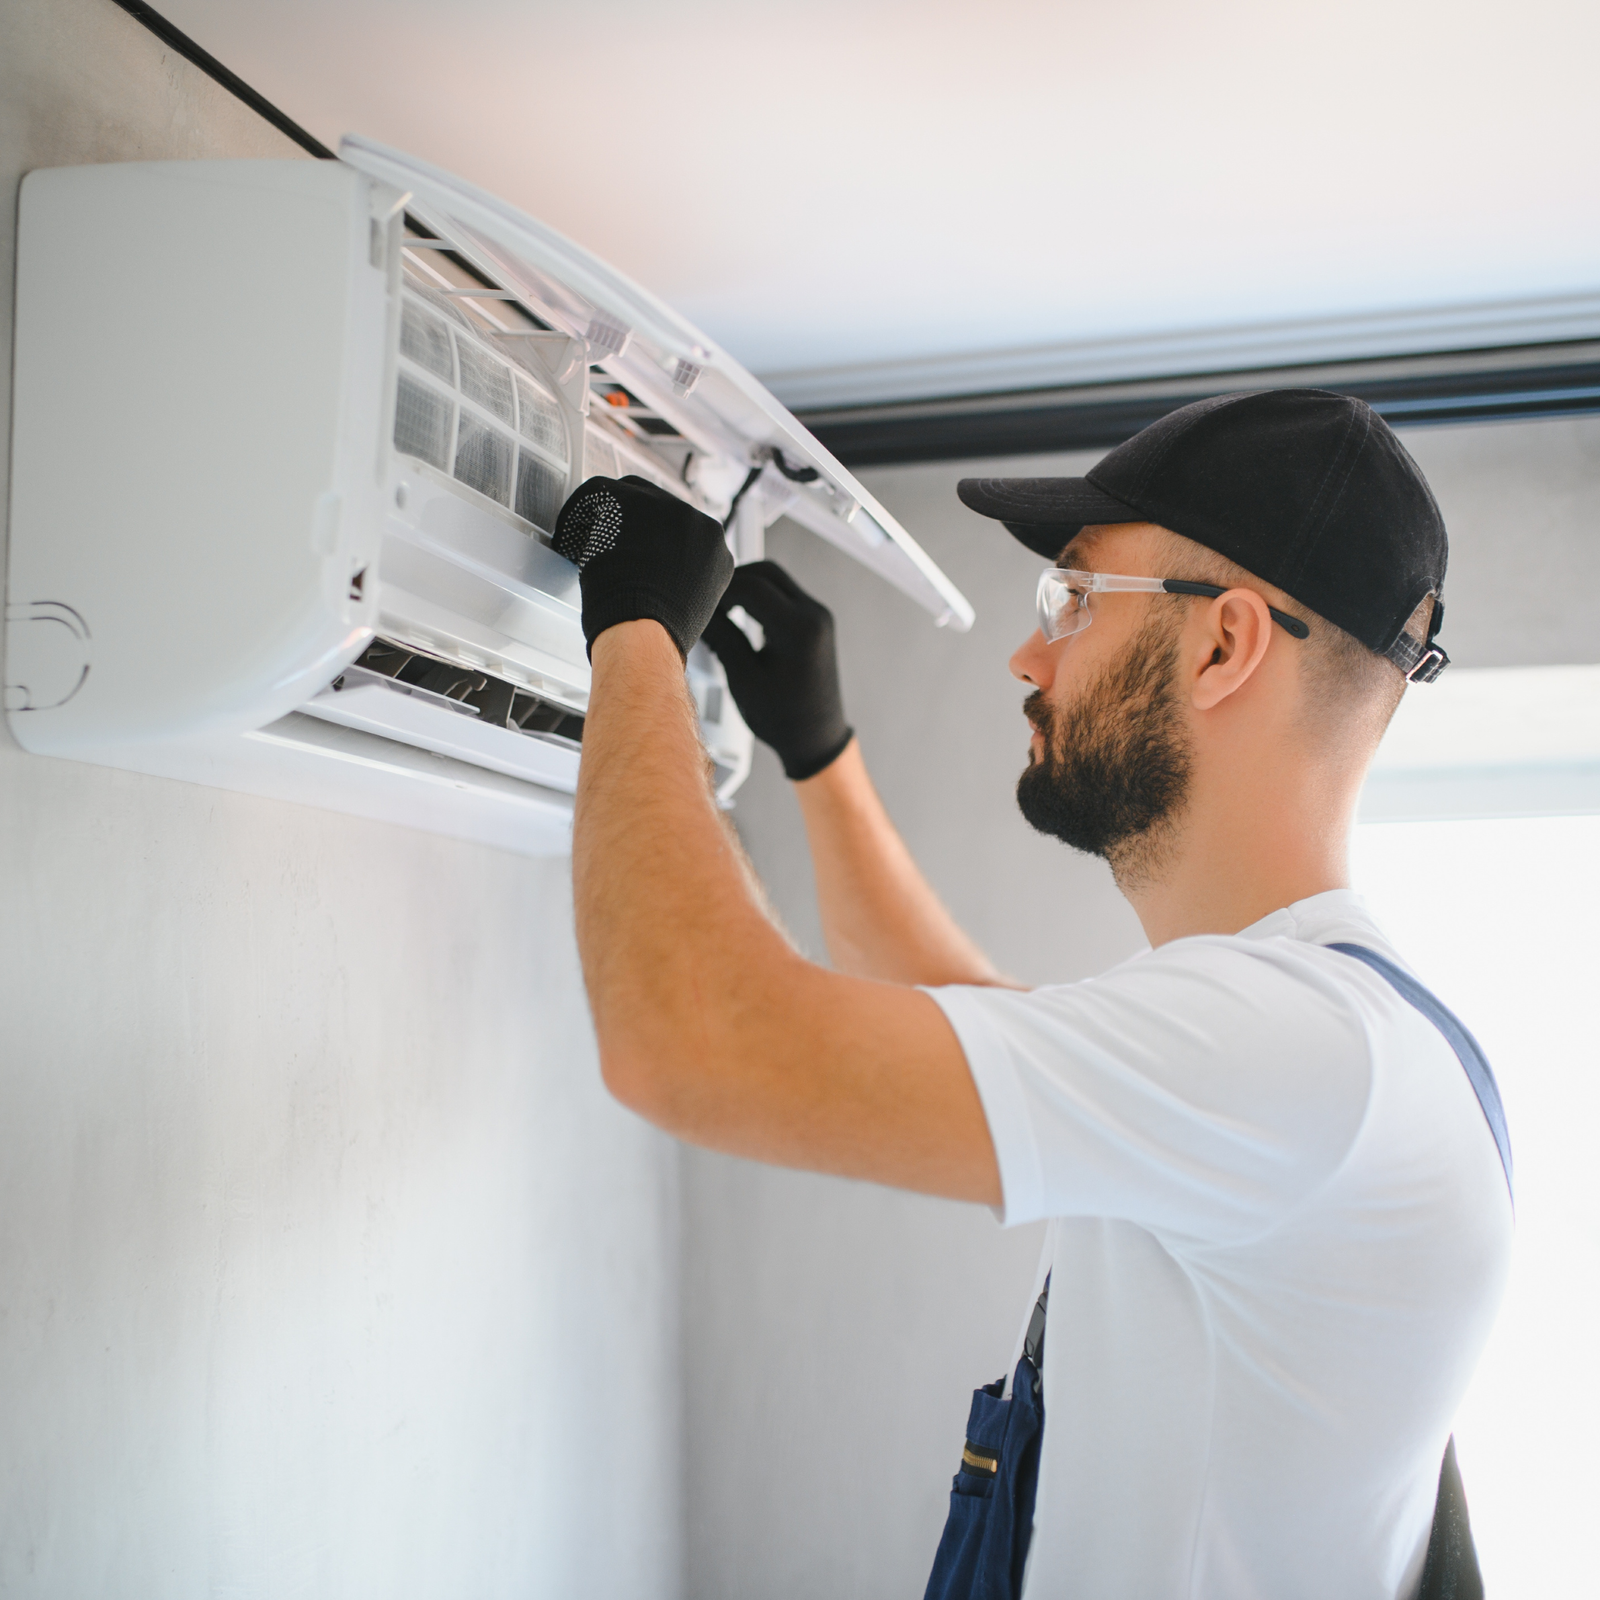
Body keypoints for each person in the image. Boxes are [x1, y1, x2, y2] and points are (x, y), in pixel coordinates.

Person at [550, 389, 1512, 1600]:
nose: (1027, 652)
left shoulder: (1304, 1054)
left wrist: (632, 630)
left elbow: (684, 1042)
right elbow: (964, 1014)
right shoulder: (1330, 1037)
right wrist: (819, 751)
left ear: (1223, 645)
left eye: (1071, 598)